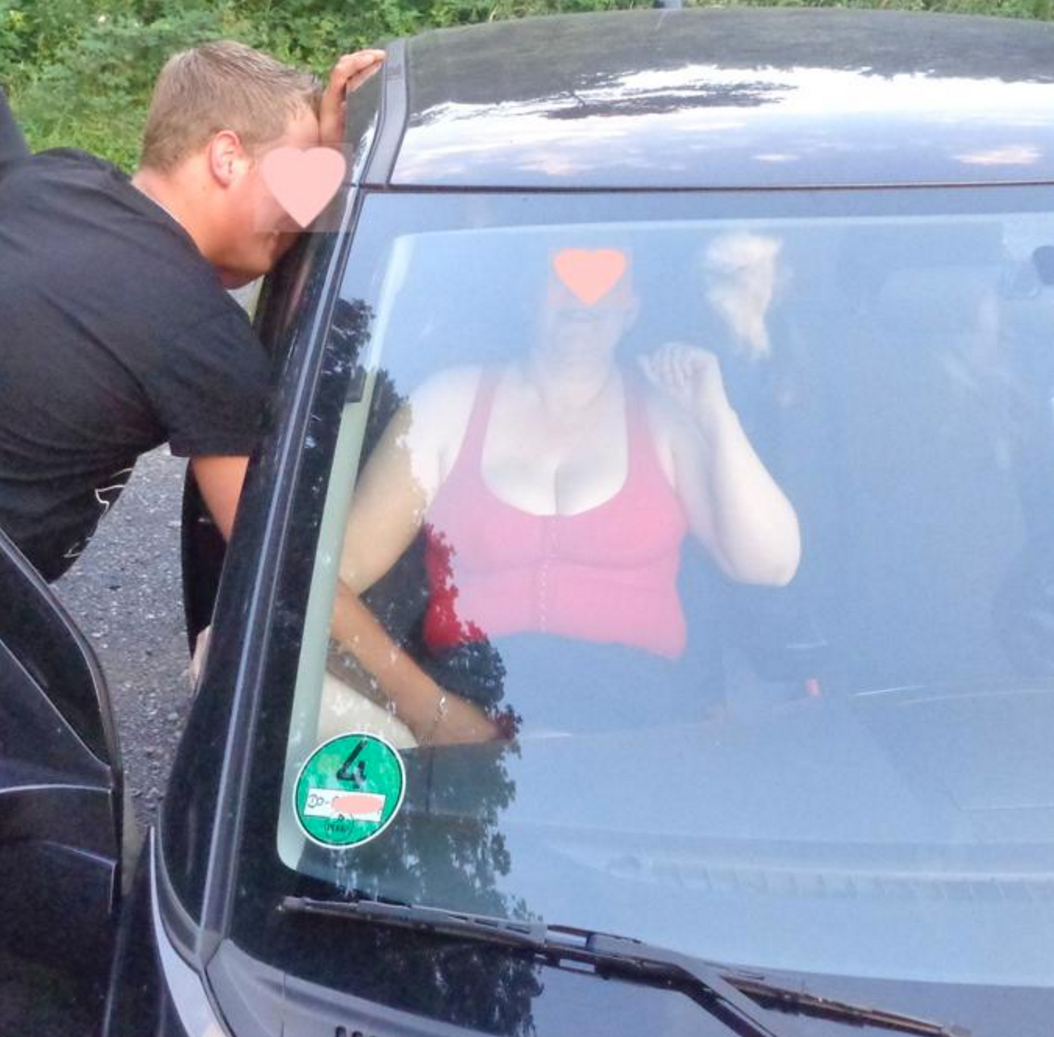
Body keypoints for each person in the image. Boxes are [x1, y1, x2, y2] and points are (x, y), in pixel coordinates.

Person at [328, 249, 801, 746]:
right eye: (561, 275)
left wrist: (715, 415)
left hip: (642, 728)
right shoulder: (447, 403)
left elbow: (769, 564)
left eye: (606, 277)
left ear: (632, 308)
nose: (582, 297)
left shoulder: (667, 413)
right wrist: (432, 712)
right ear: (526, 295)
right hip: (467, 716)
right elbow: (328, 585)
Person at [0, 41, 384, 581]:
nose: (299, 215)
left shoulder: (59, 177)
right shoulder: (202, 335)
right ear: (227, 158)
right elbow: (279, 566)